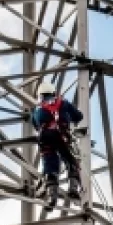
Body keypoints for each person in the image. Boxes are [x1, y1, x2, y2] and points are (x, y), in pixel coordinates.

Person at [32, 80, 84, 210]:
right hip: (61, 136)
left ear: (40, 95)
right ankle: (73, 189)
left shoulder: (37, 109)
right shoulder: (63, 103)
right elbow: (78, 116)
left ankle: (51, 199)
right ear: (53, 92)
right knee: (72, 162)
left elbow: (35, 125)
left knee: (50, 169)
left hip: (45, 140)